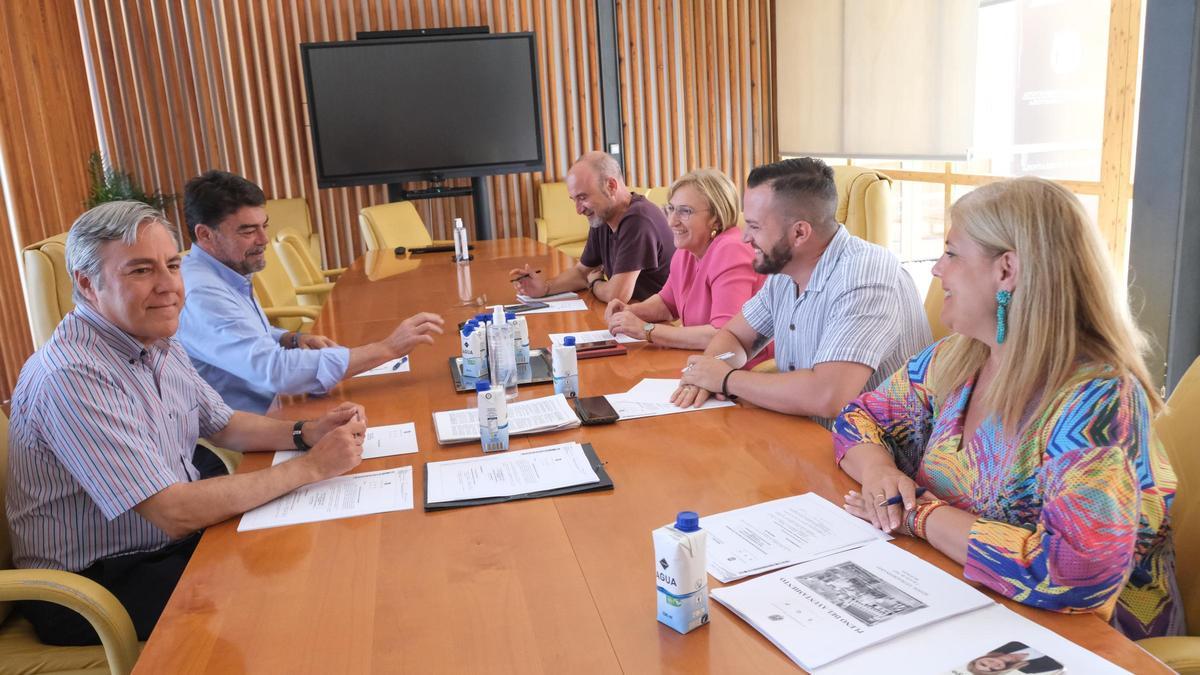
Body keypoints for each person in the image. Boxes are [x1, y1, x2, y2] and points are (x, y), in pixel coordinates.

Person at [6, 201, 370, 646]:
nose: (169, 286)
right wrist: (310, 468)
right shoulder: (72, 376)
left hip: (159, 548)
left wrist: (305, 433)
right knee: (283, 599)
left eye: (172, 265)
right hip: (95, 584)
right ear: (87, 284)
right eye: (141, 271)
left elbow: (222, 424)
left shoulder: (154, 336)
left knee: (304, 551)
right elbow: (173, 512)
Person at [833, 177, 1181, 640]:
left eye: (952, 253)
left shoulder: (1097, 399)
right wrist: (879, 472)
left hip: (1080, 639)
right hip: (957, 594)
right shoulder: (957, 355)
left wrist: (919, 515)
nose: (938, 270)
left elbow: (1073, 574)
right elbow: (859, 417)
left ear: (1006, 270)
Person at [672, 158, 930, 427]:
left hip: (880, 455)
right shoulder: (786, 272)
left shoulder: (866, 275)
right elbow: (735, 335)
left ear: (799, 233)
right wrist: (705, 376)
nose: (745, 237)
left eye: (755, 226)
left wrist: (726, 379)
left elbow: (828, 396)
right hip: (809, 434)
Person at [177, 170, 444, 413]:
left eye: (264, 226)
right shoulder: (202, 294)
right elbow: (276, 370)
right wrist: (386, 348)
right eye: (248, 230)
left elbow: (242, 332)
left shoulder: (223, 270)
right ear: (205, 235)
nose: (263, 239)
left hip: (281, 403)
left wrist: (289, 338)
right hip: (255, 428)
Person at [603, 168, 770, 367]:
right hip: (703, 362)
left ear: (716, 218)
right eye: (671, 209)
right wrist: (629, 312)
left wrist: (647, 330)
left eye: (685, 211)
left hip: (746, 370)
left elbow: (724, 336)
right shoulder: (686, 251)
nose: (672, 221)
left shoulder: (731, 249)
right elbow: (667, 304)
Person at [510, 151, 674, 303]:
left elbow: (617, 295)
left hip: (661, 323)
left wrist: (595, 283)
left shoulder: (638, 220)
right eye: (574, 200)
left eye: (582, 197)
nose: (579, 210)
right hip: (633, 315)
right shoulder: (603, 217)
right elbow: (582, 272)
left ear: (611, 186)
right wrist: (545, 288)